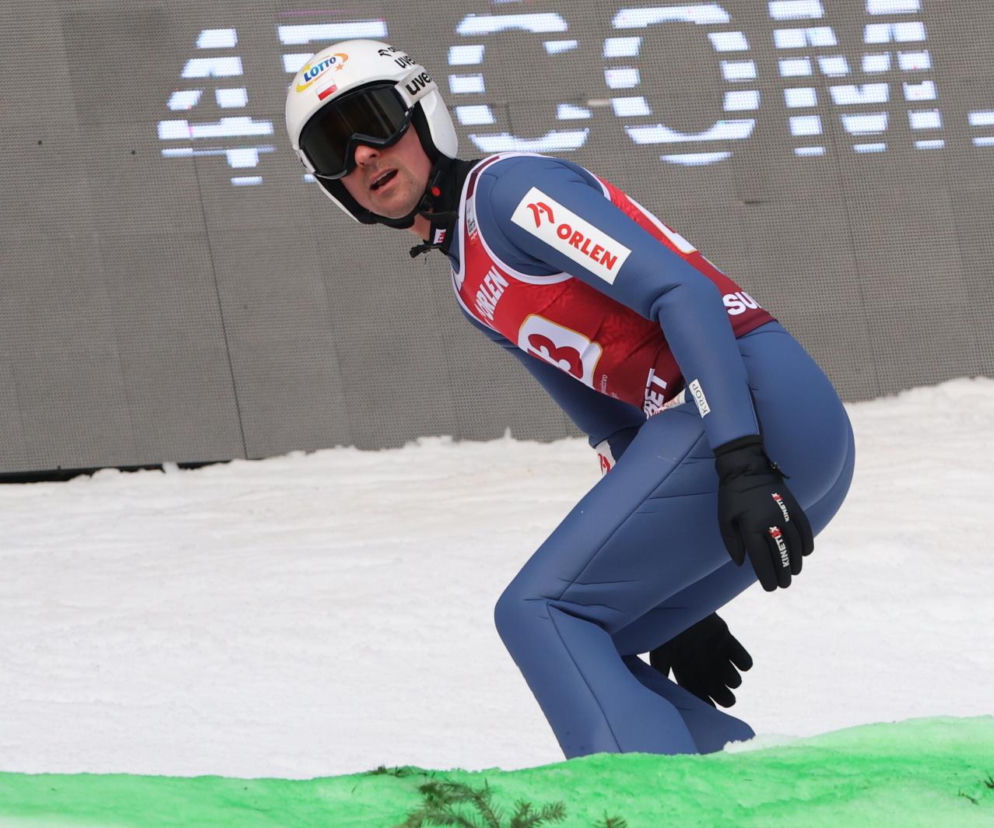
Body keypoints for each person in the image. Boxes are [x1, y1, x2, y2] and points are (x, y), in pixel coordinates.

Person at [285, 40, 855, 758]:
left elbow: (684, 292)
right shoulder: (469, 281)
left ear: (422, 112)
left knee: (538, 613)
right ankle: (753, 786)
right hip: (739, 431)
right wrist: (668, 584)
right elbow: (615, 428)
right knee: (595, 635)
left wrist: (741, 457)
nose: (364, 155)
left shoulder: (507, 194)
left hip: (755, 404)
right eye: (335, 148)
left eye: (372, 120)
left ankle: (649, 811)